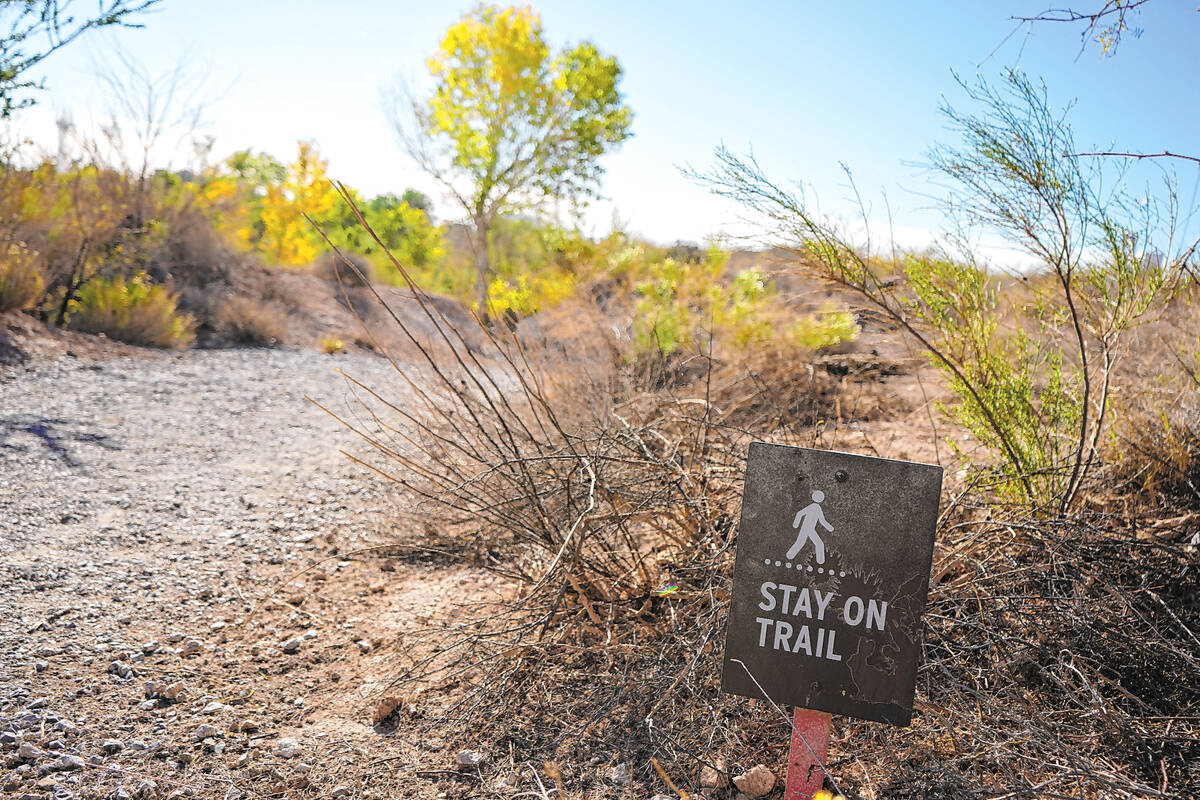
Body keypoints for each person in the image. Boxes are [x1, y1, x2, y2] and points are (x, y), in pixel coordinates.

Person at [787, 490, 833, 563]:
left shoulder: (815, 507)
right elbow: (800, 513)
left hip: (809, 529)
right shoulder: (815, 507)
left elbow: (821, 520)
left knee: (803, 542)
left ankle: (790, 555)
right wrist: (795, 524)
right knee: (815, 543)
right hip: (807, 528)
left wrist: (830, 528)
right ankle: (790, 555)